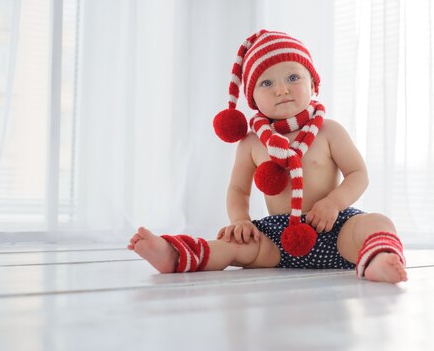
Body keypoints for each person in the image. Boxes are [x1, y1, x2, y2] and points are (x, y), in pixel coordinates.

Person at [128, 29, 407, 283]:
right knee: (235, 247)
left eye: (293, 77)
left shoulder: (328, 131)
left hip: (334, 227)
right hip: (278, 237)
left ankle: (377, 260)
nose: (281, 89)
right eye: (266, 83)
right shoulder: (252, 143)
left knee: (377, 223)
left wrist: (333, 204)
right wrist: (240, 221)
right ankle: (175, 255)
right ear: (252, 98)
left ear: (313, 84)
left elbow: (359, 174)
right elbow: (238, 190)